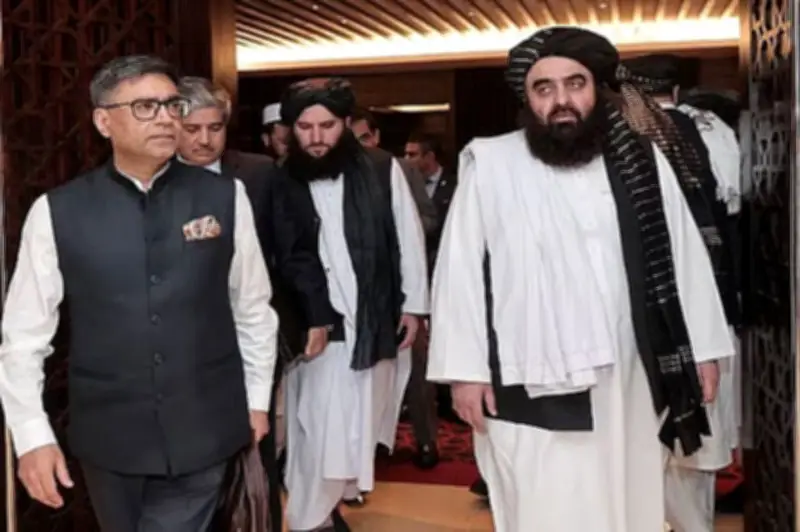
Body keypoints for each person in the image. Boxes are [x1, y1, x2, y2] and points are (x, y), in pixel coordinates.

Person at [426, 27, 734, 532]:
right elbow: (459, 271)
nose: (561, 100)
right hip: (529, 372)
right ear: (527, 100)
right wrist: (465, 371)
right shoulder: (492, 162)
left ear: (596, 89)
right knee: (544, 500)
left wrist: (701, 349)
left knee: (628, 494)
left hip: (631, 368)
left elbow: (684, 257)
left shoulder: (640, 159)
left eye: (575, 84)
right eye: (544, 88)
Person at [0, 55, 278, 531]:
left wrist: (256, 399)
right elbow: (24, 336)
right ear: (103, 121)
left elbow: (252, 308)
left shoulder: (225, 197)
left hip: (206, 425)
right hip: (109, 436)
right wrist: (31, 436)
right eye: (146, 107)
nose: (167, 118)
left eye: (172, 105)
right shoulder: (58, 211)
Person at [275, 77, 429, 531]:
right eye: (305, 127)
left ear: (345, 123)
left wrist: (414, 306)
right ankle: (311, 517)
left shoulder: (381, 168)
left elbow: (408, 238)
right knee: (318, 424)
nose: (316, 138)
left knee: (357, 422)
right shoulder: (281, 178)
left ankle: (328, 506)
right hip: (316, 325)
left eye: (326, 126)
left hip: (374, 319)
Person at [624, 55, 743, 532]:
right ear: (674, 90)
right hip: (705, 297)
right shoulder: (708, 131)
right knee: (693, 442)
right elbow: (730, 208)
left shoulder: (627, 140)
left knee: (651, 436)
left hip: (650, 306)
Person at [175, 75, 288, 532]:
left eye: (215, 128)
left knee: (253, 461)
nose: (205, 140)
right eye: (192, 129)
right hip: (183, 350)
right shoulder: (149, 186)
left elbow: (289, 248)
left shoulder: (256, 175)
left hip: (246, 332)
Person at [350, 106, 440, 470]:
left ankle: (426, 440)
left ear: (375, 137)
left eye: (363, 138)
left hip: (404, 287)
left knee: (417, 368)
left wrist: (396, 225)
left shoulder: (397, 169)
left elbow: (428, 217)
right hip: (362, 292)